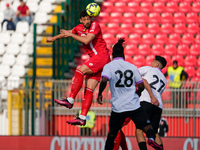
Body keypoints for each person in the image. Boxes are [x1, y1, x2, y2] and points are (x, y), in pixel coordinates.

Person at [46, 10, 110, 126]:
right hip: (98, 61)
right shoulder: (78, 28)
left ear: (91, 18)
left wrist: (71, 34)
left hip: (101, 57)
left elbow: (86, 40)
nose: (86, 21)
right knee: (89, 88)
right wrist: (54, 38)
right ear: (81, 20)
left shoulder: (95, 25)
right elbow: (67, 33)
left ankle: (70, 100)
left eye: (88, 19)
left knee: (80, 70)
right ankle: (82, 117)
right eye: (84, 19)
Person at [97, 38, 163, 150]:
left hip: (118, 107)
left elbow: (103, 80)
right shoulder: (132, 66)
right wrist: (138, 93)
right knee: (147, 126)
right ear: (123, 55)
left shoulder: (109, 66)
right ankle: (151, 139)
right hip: (134, 105)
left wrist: (99, 93)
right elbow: (141, 84)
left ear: (113, 55)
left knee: (112, 134)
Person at [135, 55, 167, 150]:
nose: (151, 63)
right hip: (158, 105)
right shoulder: (164, 80)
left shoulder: (149, 69)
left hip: (146, 100)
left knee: (139, 130)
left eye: (153, 61)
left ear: (156, 64)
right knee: (154, 132)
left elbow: (135, 73)